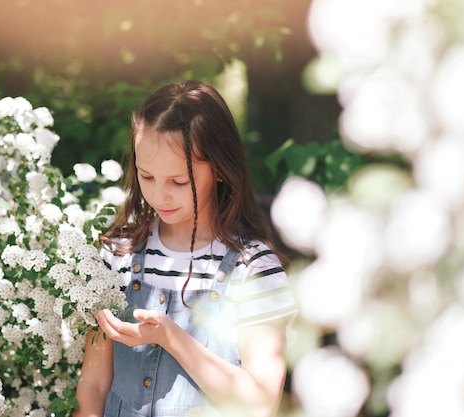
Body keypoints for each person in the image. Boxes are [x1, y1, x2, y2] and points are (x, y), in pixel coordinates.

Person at [73, 80, 297, 417]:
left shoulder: (253, 269)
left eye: (178, 182)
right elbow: (93, 386)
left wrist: (171, 337)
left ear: (221, 169)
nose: (159, 196)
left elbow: (261, 404)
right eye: (146, 176)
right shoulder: (118, 253)